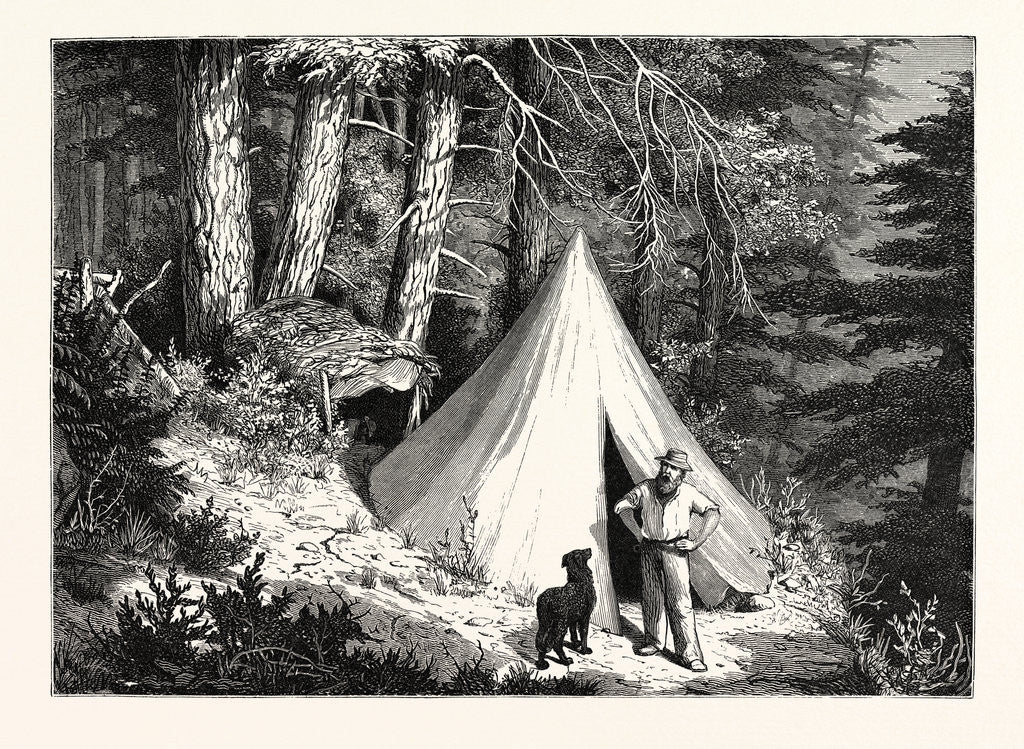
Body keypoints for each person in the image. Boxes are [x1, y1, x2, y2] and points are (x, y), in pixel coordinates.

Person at [613, 447, 720, 672]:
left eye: (673, 468)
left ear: (682, 474)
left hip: (675, 551)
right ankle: (654, 642)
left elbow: (713, 512)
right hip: (650, 549)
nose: (666, 471)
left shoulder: (689, 493)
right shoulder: (646, 488)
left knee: (680, 603)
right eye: (665, 466)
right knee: (651, 598)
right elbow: (622, 506)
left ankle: (690, 655)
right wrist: (635, 530)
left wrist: (697, 542)